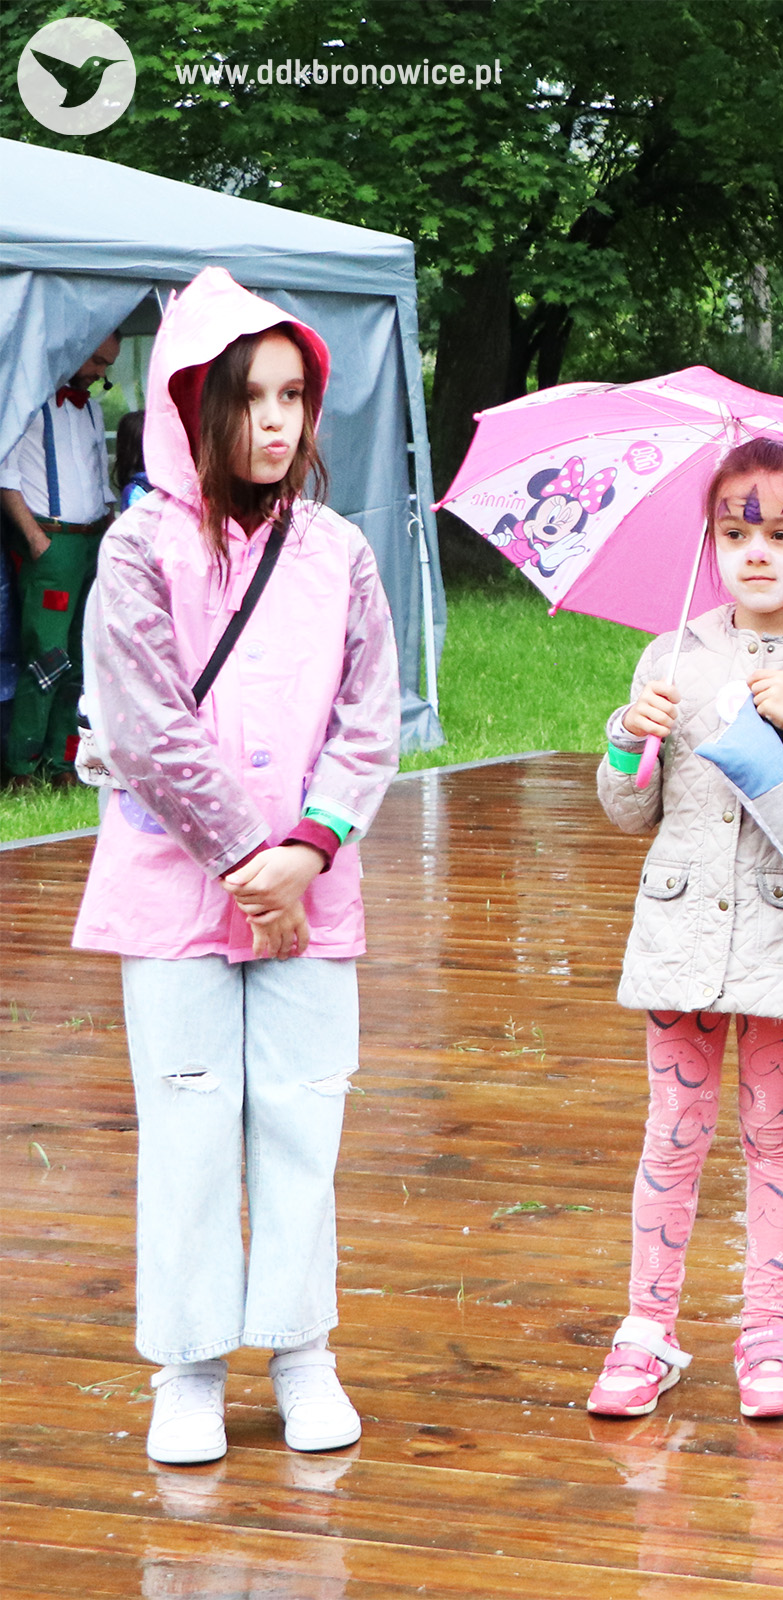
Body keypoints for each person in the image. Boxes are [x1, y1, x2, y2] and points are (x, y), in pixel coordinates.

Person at [70, 268, 399, 1466]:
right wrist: (246, 858)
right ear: (193, 404)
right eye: (251, 396)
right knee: (190, 1121)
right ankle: (190, 1364)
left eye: (293, 396)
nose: (275, 421)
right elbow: (144, 719)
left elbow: (370, 715)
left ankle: (304, 1350)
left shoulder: (340, 553)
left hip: (314, 894)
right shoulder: (136, 548)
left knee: (305, 1116)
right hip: (174, 892)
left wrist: (306, 850)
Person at [587, 437, 783, 1422]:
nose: (755, 552)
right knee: (672, 1134)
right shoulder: (673, 654)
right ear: (711, 545)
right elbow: (627, 812)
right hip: (682, 936)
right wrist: (628, 740)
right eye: (734, 534)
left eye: (779, 534)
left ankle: (766, 1330)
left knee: (775, 1132)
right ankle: (647, 1328)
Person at [2, 330, 121, 779]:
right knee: (47, 657)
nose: (101, 374)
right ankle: (22, 767)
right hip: (52, 546)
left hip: (92, 543)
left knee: (81, 656)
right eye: (97, 361)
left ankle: (62, 762)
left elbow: (99, 478)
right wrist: (35, 539)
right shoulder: (25, 404)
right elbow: (5, 475)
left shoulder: (91, 408)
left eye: (107, 365)